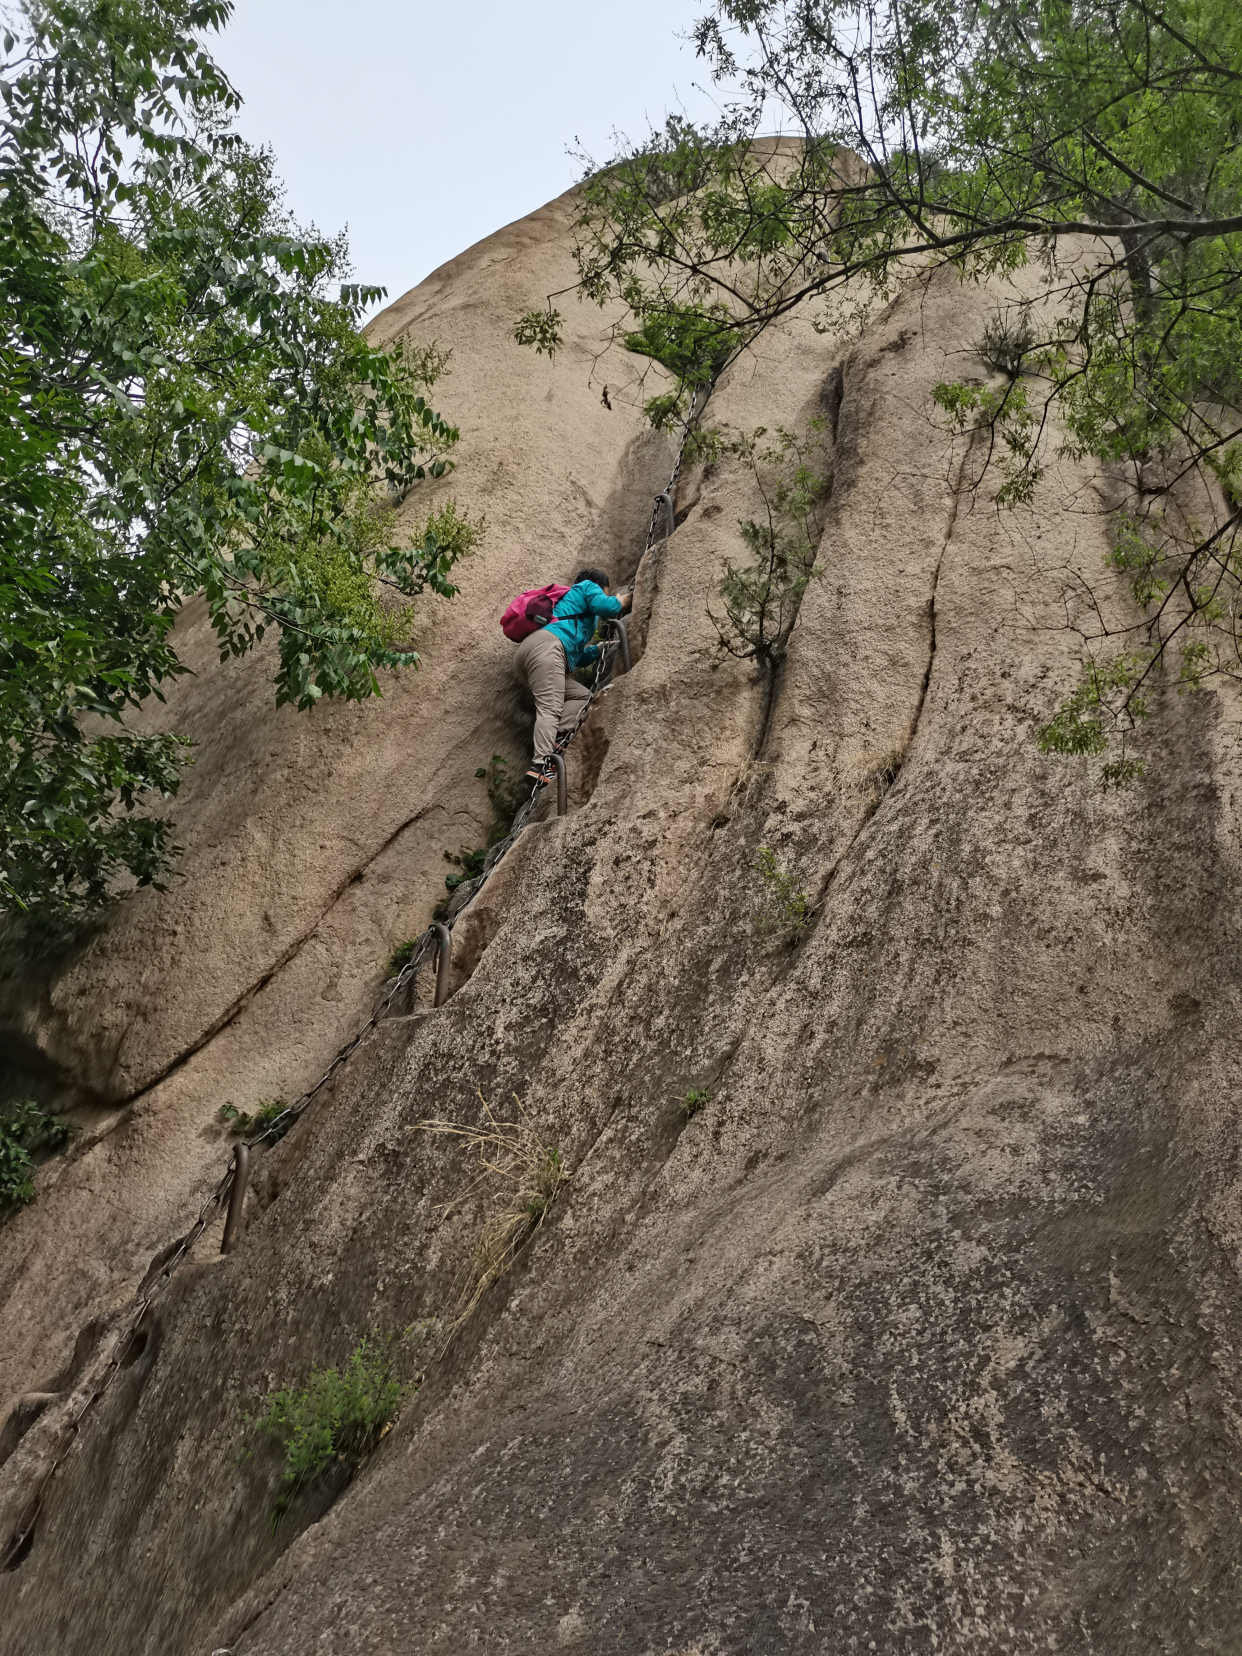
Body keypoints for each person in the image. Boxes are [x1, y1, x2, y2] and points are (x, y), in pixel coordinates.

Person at [514, 567, 632, 784]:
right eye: (603, 592)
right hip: (547, 649)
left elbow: (576, 657)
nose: (602, 596)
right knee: (550, 707)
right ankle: (539, 764)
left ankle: (558, 738)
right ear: (598, 587)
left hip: (534, 653)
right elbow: (605, 606)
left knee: (584, 697)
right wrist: (620, 601)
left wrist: (599, 649)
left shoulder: (568, 611)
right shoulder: (586, 587)